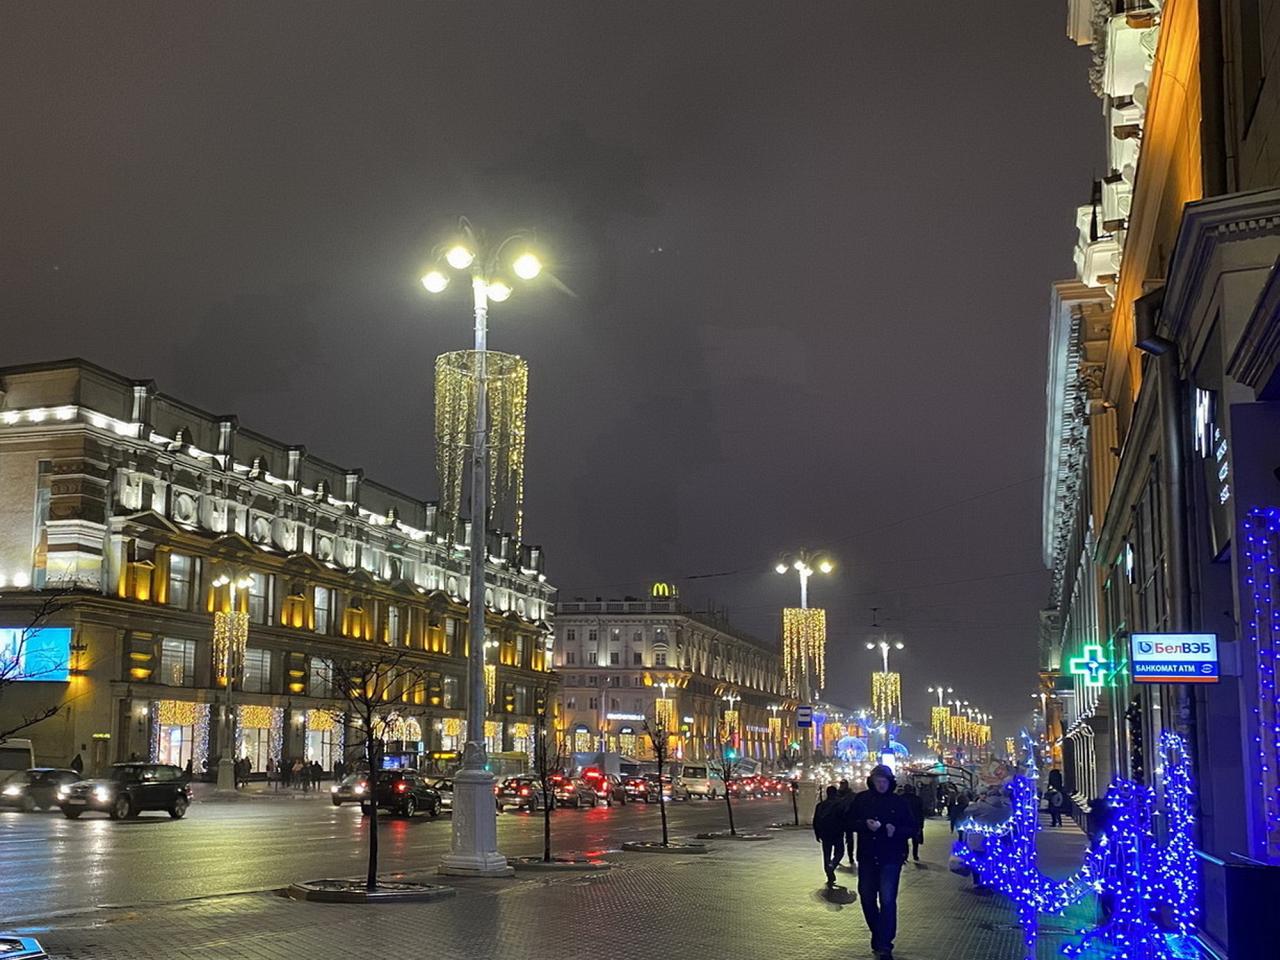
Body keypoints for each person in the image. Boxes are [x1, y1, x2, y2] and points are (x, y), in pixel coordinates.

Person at [850, 765, 914, 960]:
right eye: (877, 781)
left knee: (887, 899)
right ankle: (879, 934)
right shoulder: (862, 800)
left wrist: (896, 831)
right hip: (868, 857)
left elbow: (912, 827)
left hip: (890, 857)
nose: (881, 785)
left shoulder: (899, 802)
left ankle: (884, 943)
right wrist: (864, 825)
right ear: (872, 781)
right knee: (867, 897)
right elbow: (848, 821)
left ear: (890, 782)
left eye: (884, 781)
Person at [813, 785, 847, 887]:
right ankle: (833, 864)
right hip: (837, 833)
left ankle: (829, 874)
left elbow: (816, 820)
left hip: (825, 833)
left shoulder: (820, 805)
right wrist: (847, 833)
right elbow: (844, 820)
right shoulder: (840, 805)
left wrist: (817, 833)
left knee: (826, 854)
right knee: (840, 852)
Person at [902, 783, 925, 862]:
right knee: (915, 840)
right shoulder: (917, 799)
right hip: (915, 822)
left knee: (904, 840)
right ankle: (915, 855)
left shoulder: (900, 798)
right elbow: (921, 812)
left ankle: (905, 856)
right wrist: (921, 824)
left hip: (904, 823)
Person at [837, 779, 855, 866]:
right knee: (839, 839)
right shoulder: (837, 795)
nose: (842, 786)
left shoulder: (851, 795)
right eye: (841, 784)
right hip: (839, 820)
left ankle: (850, 856)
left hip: (848, 820)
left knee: (849, 840)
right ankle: (837, 856)